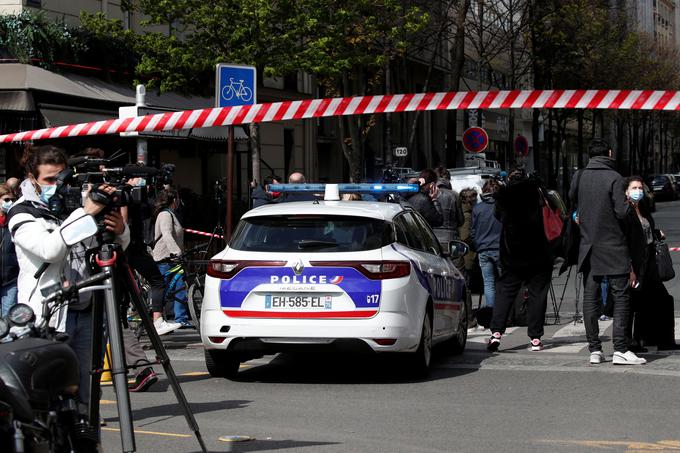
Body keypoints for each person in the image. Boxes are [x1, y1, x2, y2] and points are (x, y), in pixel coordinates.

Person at [8, 145, 130, 407]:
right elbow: (49, 250)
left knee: (87, 394)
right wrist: (86, 213)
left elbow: (110, 248)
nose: (56, 185)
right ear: (33, 179)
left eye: (60, 178)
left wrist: (120, 230)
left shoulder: (73, 203)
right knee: (49, 395)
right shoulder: (22, 212)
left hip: (88, 311)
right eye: (49, 179)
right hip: (47, 316)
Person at [570, 139, 645, 365]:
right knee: (621, 296)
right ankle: (620, 349)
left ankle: (595, 349)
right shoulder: (615, 178)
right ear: (609, 153)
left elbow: (573, 200)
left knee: (590, 298)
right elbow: (622, 213)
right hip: (613, 246)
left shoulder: (579, 176)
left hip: (588, 246)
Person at [487, 167, 553, 352]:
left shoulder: (504, 195)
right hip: (538, 251)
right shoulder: (537, 191)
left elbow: (498, 217)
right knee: (537, 294)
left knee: (505, 292)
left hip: (513, 252)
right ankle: (535, 338)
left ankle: (496, 333)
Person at [623, 176, 679, 351]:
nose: (638, 191)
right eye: (634, 188)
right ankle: (631, 342)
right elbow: (625, 240)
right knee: (632, 304)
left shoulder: (643, 209)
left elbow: (644, 232)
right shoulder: (624, 212)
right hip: (635, 265)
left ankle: (663, 340)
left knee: (662, 300)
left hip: (649, 264)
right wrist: (629, 268)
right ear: (626, 191)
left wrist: (655, 233)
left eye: (640, 187)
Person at [152, 188, 191, 328]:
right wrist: (176, 251)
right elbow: (167, 234)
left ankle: (181, 319)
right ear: (174, 200)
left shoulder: (171, 214)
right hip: (165, 258)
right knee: (161, 289)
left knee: (180, 288)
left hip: (173, 258)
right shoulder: (165, 215)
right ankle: (157, 318)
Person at [471, 179, 502, 310]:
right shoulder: (501, 206)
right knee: (504, 282)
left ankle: (491, 312)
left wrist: (477, 245)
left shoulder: (478, 208)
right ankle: (504, 312)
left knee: (488, 283)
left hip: (483, 248)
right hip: (499, 248)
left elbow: (472, 231)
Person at [432, 166, 463, 248]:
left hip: (433, 237)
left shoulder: (429, 193)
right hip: (451, 238)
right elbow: (460, 220)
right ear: (448, 179)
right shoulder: (454, 195)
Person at [0, 184, 18, 317]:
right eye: (6, 200)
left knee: (9, 316)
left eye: (12, 199)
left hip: (11, 278)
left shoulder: (14, 220)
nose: (10, 203)